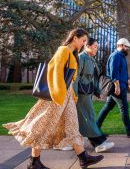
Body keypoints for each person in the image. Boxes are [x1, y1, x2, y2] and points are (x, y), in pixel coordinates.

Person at [3, 28, 104, 169]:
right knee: (41, 126)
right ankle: (34, 161)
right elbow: (54, 72)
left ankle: (83, 157)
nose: (84, 43)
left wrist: (71, 95)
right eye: (83, 40)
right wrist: (60, 95)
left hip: (66, 96)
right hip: (58, 96)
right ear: (75, 38)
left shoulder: (71, 53)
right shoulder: (63, 51)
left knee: (72, 126)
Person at [96, 38, 130, 138]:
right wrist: (117, 87)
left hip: (121, 85)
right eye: (126, 46)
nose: (127, 49)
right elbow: (114, 73)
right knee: (124, 108)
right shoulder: (116, 56)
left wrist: (129, 84)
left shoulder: (122, 56)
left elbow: (124, 73)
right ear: (120, 45)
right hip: (117, 87)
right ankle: (129, 131)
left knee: (107, 107)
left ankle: (96, 128)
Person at [74, 37, 114, 153]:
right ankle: (99, 142)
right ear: (87, 46)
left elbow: (93, 78)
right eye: (95, 46)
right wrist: (74, 94)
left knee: (83, 118)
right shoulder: (82, 58)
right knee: (88, 117)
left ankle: (67, 141)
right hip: (81, 95)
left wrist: (97, 91)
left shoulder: (91, 59)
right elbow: (75, 78)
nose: (97, 49)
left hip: (87, 93)